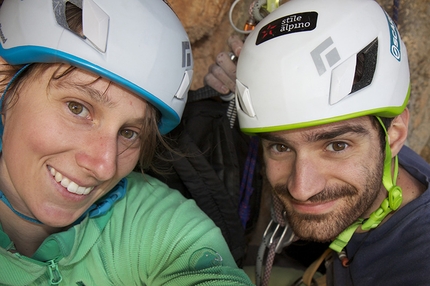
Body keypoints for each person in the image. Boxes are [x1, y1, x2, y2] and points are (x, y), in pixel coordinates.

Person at [0, 0, 254, 285]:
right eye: (77, 108)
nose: (104, 166)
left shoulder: (158, 222)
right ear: (4, 83)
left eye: (129, 133)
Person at [206, 0, 430, 285]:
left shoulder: (418, 267)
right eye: (281, 147)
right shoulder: (394, 168)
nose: (301, 189)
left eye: (337, 146)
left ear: (395, 135)